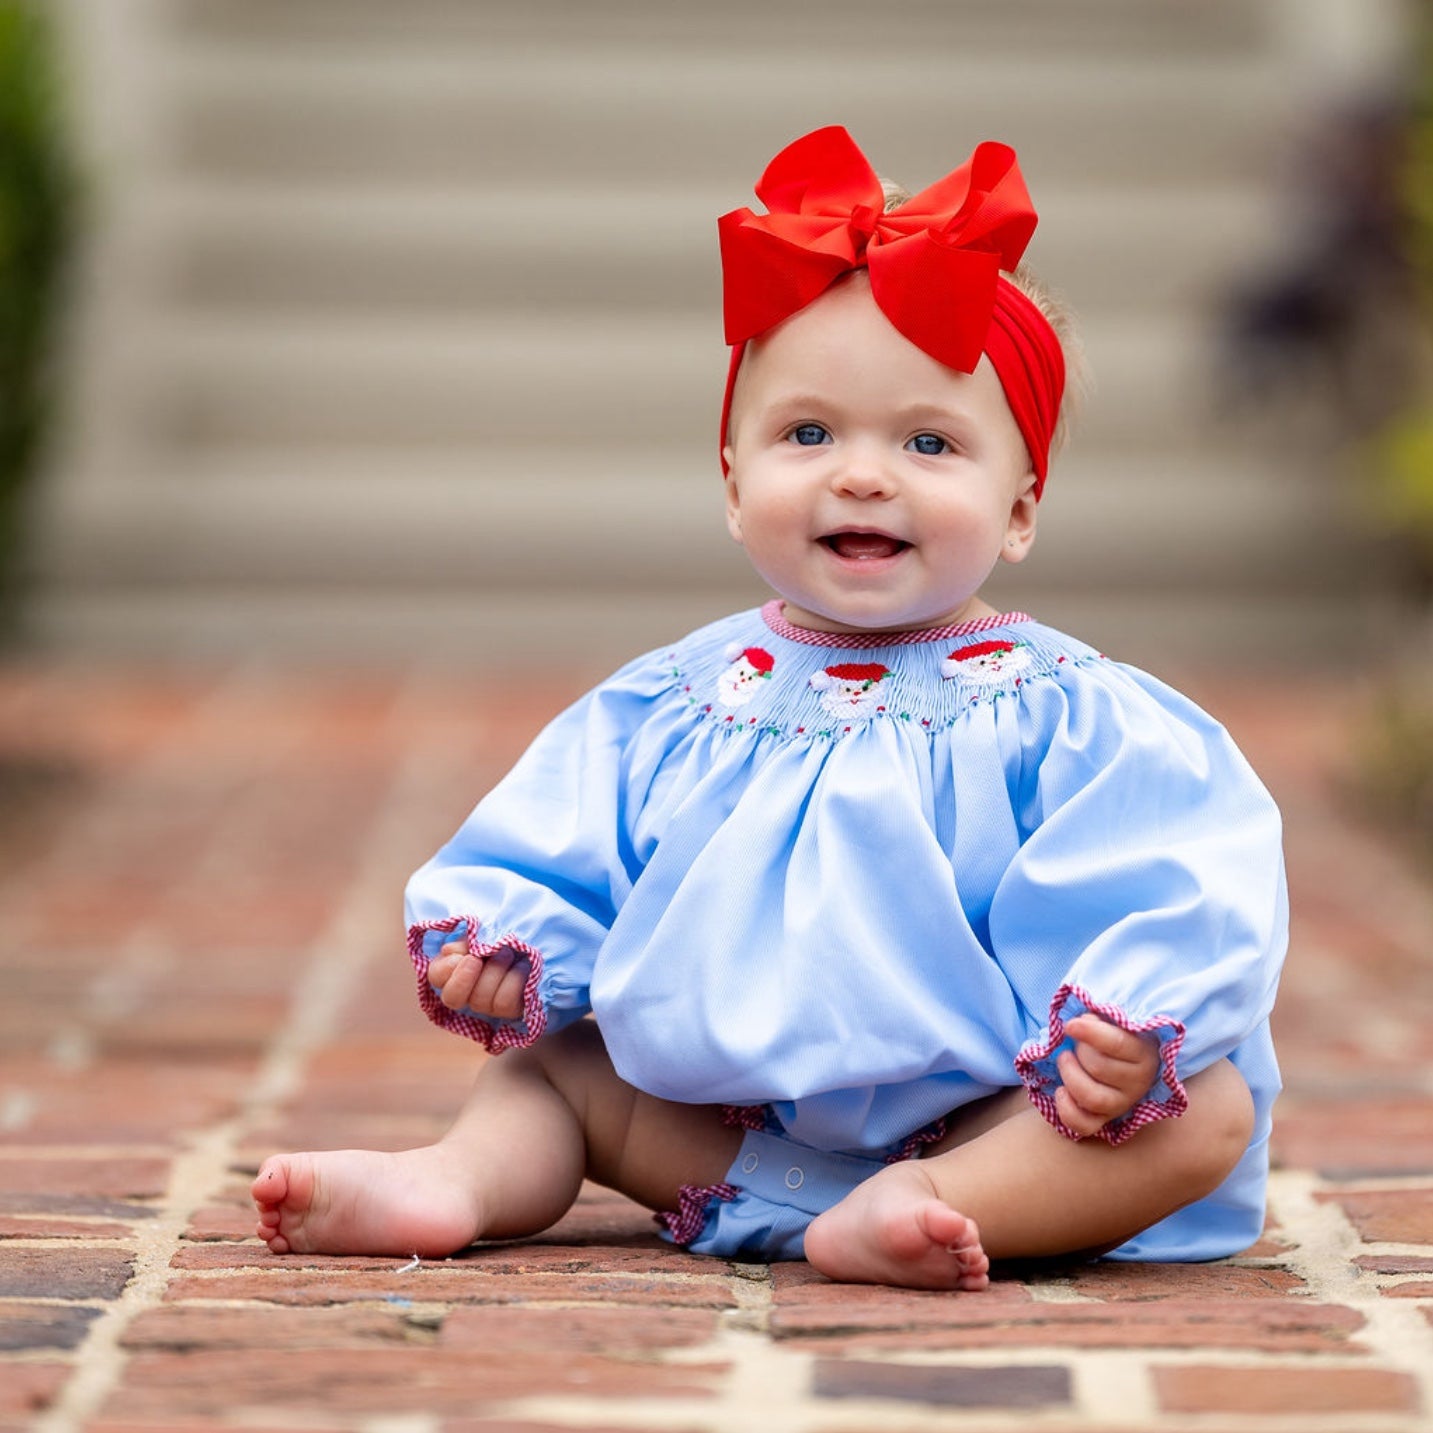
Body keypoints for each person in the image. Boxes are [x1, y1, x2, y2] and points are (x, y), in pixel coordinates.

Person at [252, 127, 1287, 1291]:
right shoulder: (675, 700)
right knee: (554, 1068)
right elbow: (566, 836)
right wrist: (502, 941)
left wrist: (1124, 1028)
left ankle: (927, 1201)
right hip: (726, 1125)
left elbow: (1178, 872)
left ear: (1018, 509)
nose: (859, 472)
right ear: (734, 485)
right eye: (807, 432)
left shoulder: (1077, 719)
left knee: (1203, 1106)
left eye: (927, 440)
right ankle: (459, 1179)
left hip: (996, 1125)